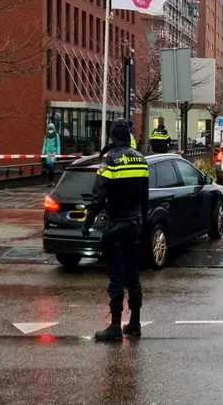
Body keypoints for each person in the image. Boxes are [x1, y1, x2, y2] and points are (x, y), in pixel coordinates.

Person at [82, 118, 149, 342]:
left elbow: (98, 195)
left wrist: (88, 222)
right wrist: (143, 222)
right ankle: (136, 322)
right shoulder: (141, 160)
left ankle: (114, 326)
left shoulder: (110, 160)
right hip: (134, 224)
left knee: (116, 276)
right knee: (133, 275)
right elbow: (144, 197)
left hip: (114, 224)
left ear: (112, 137)